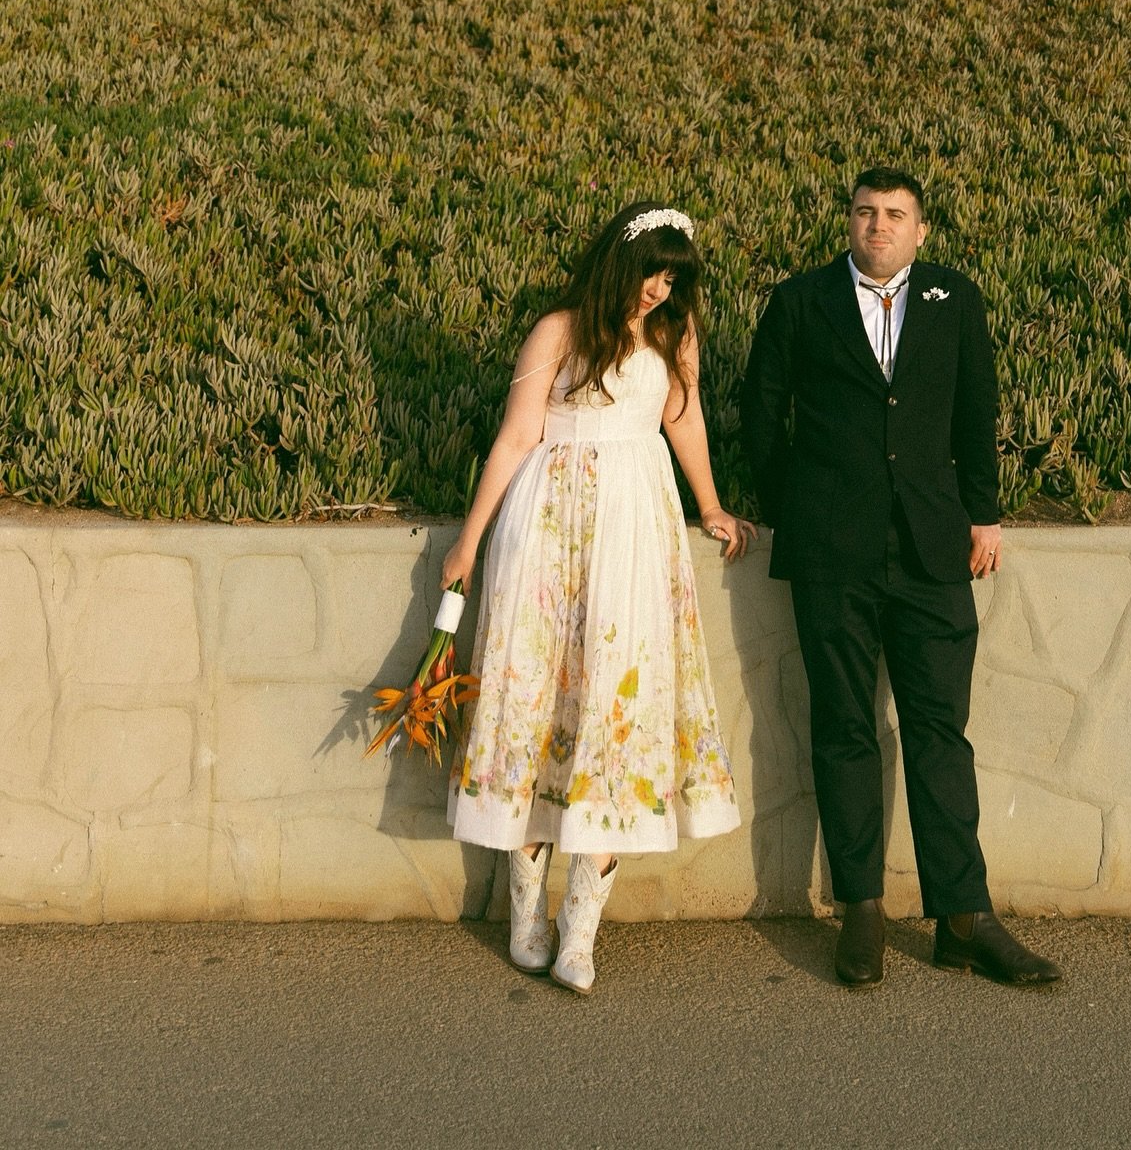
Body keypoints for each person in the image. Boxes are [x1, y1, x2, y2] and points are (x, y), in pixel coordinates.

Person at [740, 168, 1061, 990]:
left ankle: (965, 917)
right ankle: (862, 913)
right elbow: (761, 412)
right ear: (847, 221)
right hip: (830, 554)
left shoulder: (957, 300)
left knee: (938, 732)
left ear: (922, 230)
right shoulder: (800, 303)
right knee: (844, 726)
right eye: (865, 213)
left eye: (896, 215)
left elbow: (975, 409)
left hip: (932, 548)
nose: (878, 226)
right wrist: (795, 505)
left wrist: (982, 513)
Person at [443, 200, 752, 995]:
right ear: (622, 260)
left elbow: (685, 423)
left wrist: (710, 504)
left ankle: (580, 932)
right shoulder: (561, 330)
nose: (658, 289)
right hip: (547, 523)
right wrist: (470, 539)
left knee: (621, 705)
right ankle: (527, 915)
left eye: (673, 279)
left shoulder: (673, 337)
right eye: (652, 271)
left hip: (635, 525)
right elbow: (516, 435)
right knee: (539, 703)